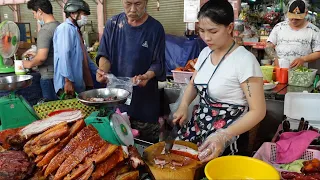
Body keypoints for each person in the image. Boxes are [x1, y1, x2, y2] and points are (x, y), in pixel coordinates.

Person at [173, 0, 266, 163]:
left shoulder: (244, 60)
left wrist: (223, 136)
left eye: (213, 31)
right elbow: (193, 85)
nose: (206, 37)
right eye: (201, 31)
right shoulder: (204, 53)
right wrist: (183, 105)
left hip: (229, 137)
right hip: (198, 129)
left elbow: (258, 111)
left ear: (229, 28)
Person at [95, 0, 165, 143]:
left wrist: (147, 76)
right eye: (128, 3)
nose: (132, 9)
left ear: (146, 2)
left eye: (138, 4)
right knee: (119, 152)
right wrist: (103, 71)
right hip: (117, 106)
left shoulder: (155, 28)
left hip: (144, 106)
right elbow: (104, 55)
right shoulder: (113, 24)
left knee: (146, 152)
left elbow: (158, 63)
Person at [53, 0, 98, 97]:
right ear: (73, 14)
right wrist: (68, 80)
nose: (85, 17)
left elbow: (85, 57)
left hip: (77, 85)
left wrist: (97, 71)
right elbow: (64, 56)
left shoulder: (75, 30)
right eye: (84, 14)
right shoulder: (65, 29)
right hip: (68, 87)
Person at [265, 0, 320, 68]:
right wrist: (274, 58)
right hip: (280, 71)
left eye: (297, 19)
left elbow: (318, 52)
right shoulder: (279, 27)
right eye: (291, 17)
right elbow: (268, 46)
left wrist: (303, 59)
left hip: (301, 73)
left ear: (305, 13)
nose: (293, 21)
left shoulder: (314, 30)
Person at [23, 0, 60, 101]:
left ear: (40, 11)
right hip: (61, 76)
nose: (34, 16)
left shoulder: (45, 30)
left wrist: (28, 64)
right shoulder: (59, 26)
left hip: (49, 77)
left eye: (34, 13)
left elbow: (41, 58)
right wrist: (37, 53)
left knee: (52, 109)